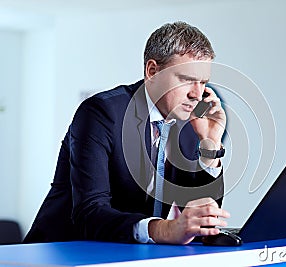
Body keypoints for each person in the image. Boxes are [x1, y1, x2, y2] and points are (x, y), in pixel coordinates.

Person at [24, 21, 230, 245]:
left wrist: (210, 144)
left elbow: (200, 213)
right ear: (152, 71)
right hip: (61, 250)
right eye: (187, 80)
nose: (197, 94)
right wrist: (164, 229)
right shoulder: (101, 113)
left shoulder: (187, 124)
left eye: (203, 82)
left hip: (128, 253)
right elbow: (90, 212)